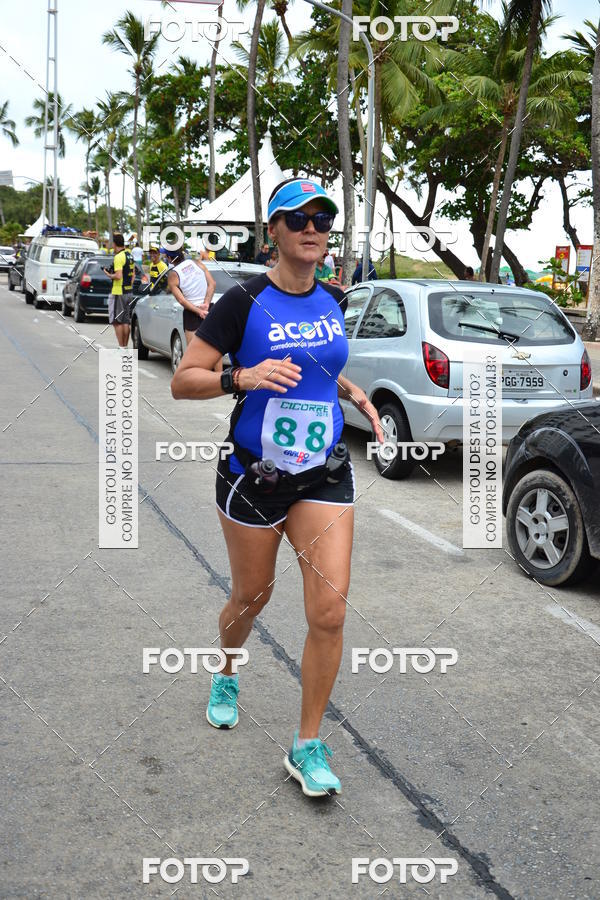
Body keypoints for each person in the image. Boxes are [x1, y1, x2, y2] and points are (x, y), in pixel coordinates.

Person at [171, 177, 384, 798]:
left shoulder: (334, 298)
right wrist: (245, 375)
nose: (313, 227)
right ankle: (228, 669)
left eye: (323, 217)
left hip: (322, 472)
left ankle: (306, 745)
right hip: (254, 476)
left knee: (330, 609)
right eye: (298, 219)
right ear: (274, 232)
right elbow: (184, 380)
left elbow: (320, 367)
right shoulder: (242, 303)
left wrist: (351, 391)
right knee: (251, 597)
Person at [165, 245, 216, 345]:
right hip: (209, 309)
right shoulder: (197, 263)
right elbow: (212, 284)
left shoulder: (173, 275)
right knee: (213, 351)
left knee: (194, 353)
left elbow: (181, 300)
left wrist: (199, 312)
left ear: (170, 258)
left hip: (192, 313)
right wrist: (206, 304)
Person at [103, 233, 135, 348]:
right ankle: (125, 347)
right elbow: (133, 274)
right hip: (129, 291)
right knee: (126, 321)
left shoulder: (118, 257)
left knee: (117, 321)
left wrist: (108, 274)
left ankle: (121, 347)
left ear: (114, 244)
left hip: (119, 292)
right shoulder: (129, 255)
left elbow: (118, 276)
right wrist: (129, 285)